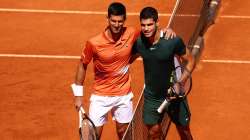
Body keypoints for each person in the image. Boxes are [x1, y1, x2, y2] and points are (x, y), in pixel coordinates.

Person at [71, 2, 176, 140]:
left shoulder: (131, 33)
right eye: (113, 21)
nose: (116, 24)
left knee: (124, 133)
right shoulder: (94, 43)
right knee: (94, 135)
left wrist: (165, 30)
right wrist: (78, 96)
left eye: (120, 21)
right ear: (107, 19)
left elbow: (150, 32)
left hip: (123, 95)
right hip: (100, 96)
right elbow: (82, 65)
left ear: (124, 20)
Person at [131, 7, 196, 140]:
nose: (146, 28)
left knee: (184, 132)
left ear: (157, 23)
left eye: (149, 24)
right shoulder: (139, 43)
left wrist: (180, 83)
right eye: (143, 25)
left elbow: (190, 60)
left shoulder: (172, 41)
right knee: (153, 133)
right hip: (152, 97)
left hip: (174, 94)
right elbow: (126, 59)